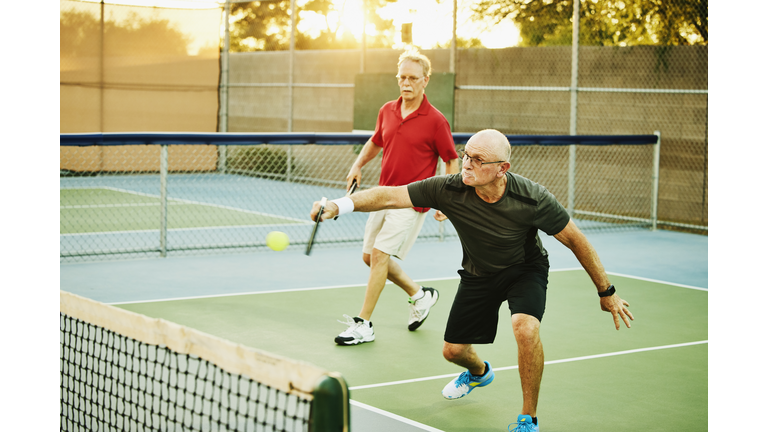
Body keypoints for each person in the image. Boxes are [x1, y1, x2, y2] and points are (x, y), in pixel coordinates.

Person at [312, 129, 634, 431]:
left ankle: (528, 419)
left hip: (525, 270)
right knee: (452, 352)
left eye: (478, 160)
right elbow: (390, 196)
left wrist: (606, 292)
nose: (467, 163)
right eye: (466, 155)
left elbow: (577, 240)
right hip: (479, 274)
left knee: (525, 327)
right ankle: (479, 372)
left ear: (501, 168)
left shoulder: (532, 198)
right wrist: (338, 206)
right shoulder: (449, 188)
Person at [334, 48, 460, 346]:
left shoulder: (436, 121)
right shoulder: (387, 109)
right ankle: (420, 295)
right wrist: (357, 164)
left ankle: (363, 324)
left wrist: (446, 199)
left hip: (411, 200)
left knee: (379, 256)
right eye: (402, 77)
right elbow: (376, 140)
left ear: (425, 80)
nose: (406, 83)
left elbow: (451, 160)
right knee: (370, 257)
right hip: (382, 195)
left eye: (413, 78)